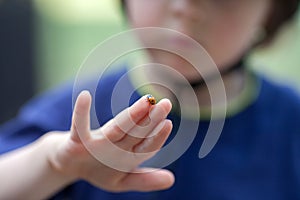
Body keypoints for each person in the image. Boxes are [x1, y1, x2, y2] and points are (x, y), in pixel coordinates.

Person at [0, 0, 299, 199]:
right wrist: (55, 165)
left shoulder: (290, 127)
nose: (187, 8)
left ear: (272, 14)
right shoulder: (77, 113)